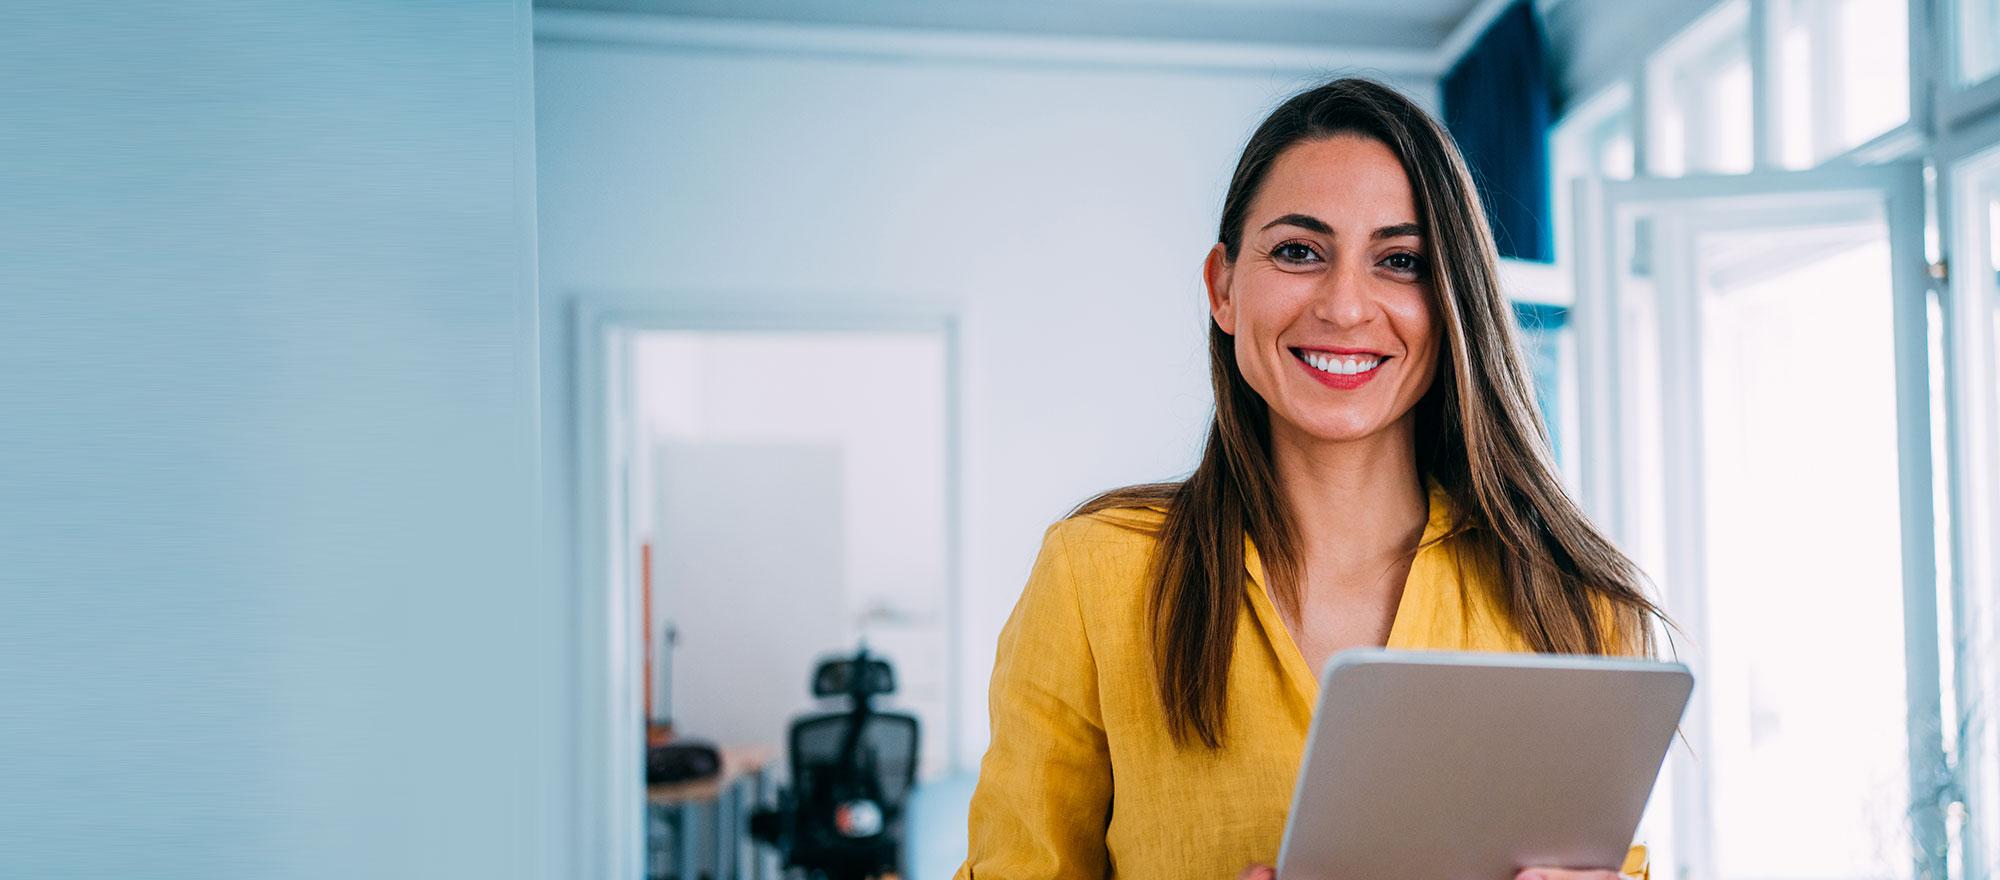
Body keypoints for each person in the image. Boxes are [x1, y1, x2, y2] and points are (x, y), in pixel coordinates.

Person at [954, 77, 1668, 880]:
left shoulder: (1577, 608)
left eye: (1400, 262)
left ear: (1453, 301)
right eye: (1299, 252)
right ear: (1223, 286)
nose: (1345, 306)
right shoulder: (1095, 575)